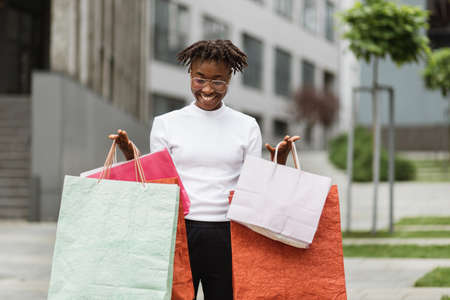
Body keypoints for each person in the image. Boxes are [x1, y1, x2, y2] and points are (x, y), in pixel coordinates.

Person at [109, 40, 299, 300]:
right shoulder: (166, 124)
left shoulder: (247, 126)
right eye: (200, 79)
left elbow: (254, 191)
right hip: (180, 235)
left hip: (229, 235)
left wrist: (278, 163)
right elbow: (157, 186)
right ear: (189, 75)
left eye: (218, 81)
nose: (208, 89)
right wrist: (131, 157)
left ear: (230, 78)